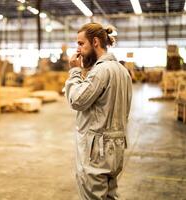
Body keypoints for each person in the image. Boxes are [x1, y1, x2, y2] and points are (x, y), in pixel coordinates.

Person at [64, 22, 132, 200]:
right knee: (110, 195)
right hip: (115, 147)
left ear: (95, 42)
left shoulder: (101, 71)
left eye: (81, 44)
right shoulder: (123, 71)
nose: (78, 49)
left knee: (93, 195)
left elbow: (77, 100)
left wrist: (74, 72)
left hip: (96, 150)